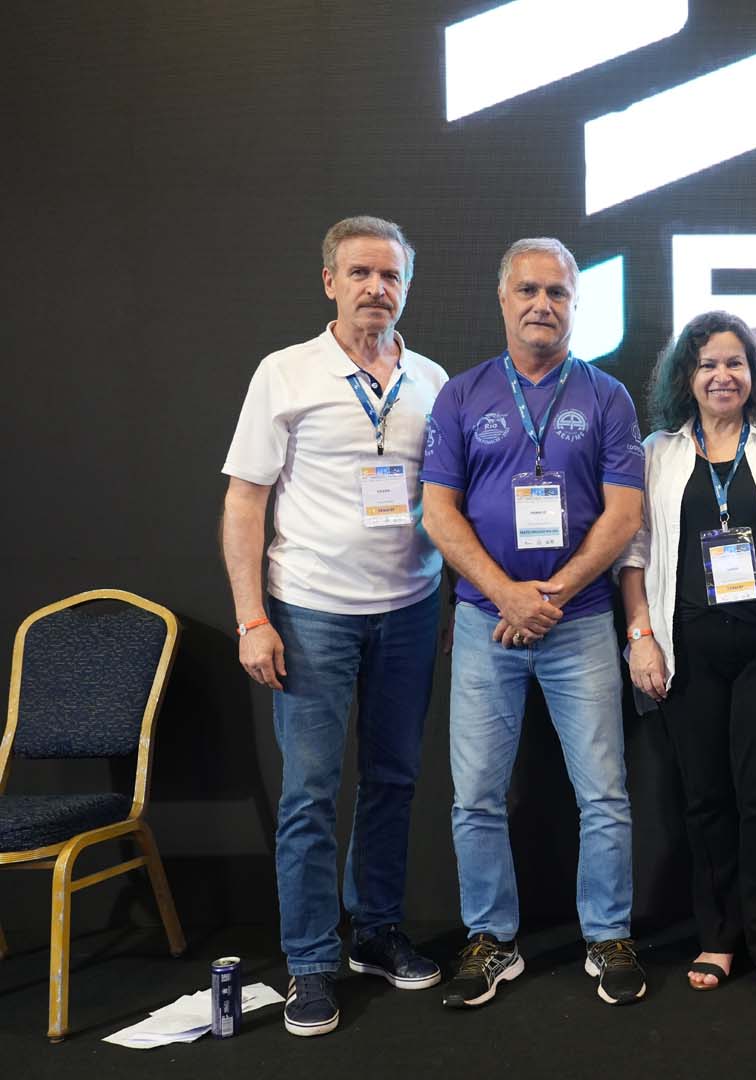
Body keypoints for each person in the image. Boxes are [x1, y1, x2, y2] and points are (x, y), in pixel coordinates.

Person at [221, 215, 447, 1037]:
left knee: (393, 782)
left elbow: (448, 502)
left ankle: (375, 933)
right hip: (311, 611)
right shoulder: (284, 373)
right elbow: (244, 501)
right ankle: (311, 963)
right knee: (311, 794)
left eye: (390, 276)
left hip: (410, 610)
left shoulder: (431, 380)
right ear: (329, 282)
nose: (375, 288)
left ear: (405, 287)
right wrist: (252, 618)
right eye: (360, 273)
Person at [421, 237, 647, 1008]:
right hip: (486, 623)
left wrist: (548, 594)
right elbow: (438, 513)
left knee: (604, 793)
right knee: (476, 797)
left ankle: (607, 934)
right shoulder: (462, 395)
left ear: (575, 303)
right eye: (528, 290)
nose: (542, 304)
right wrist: (506, 594)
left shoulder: (608, 397)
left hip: (579, 621)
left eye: (557, 292)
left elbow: (623, 516)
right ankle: (492, 939)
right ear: (503, 298)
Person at [618, 311, 756, 1003]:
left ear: (754, 373)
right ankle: (717, 936)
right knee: (705, 799)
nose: (722, 375)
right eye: (708, 364)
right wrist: (640, 636)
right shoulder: (656, 452)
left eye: (735, 363)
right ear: (686, 376)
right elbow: (633, 552)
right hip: (685, 653)